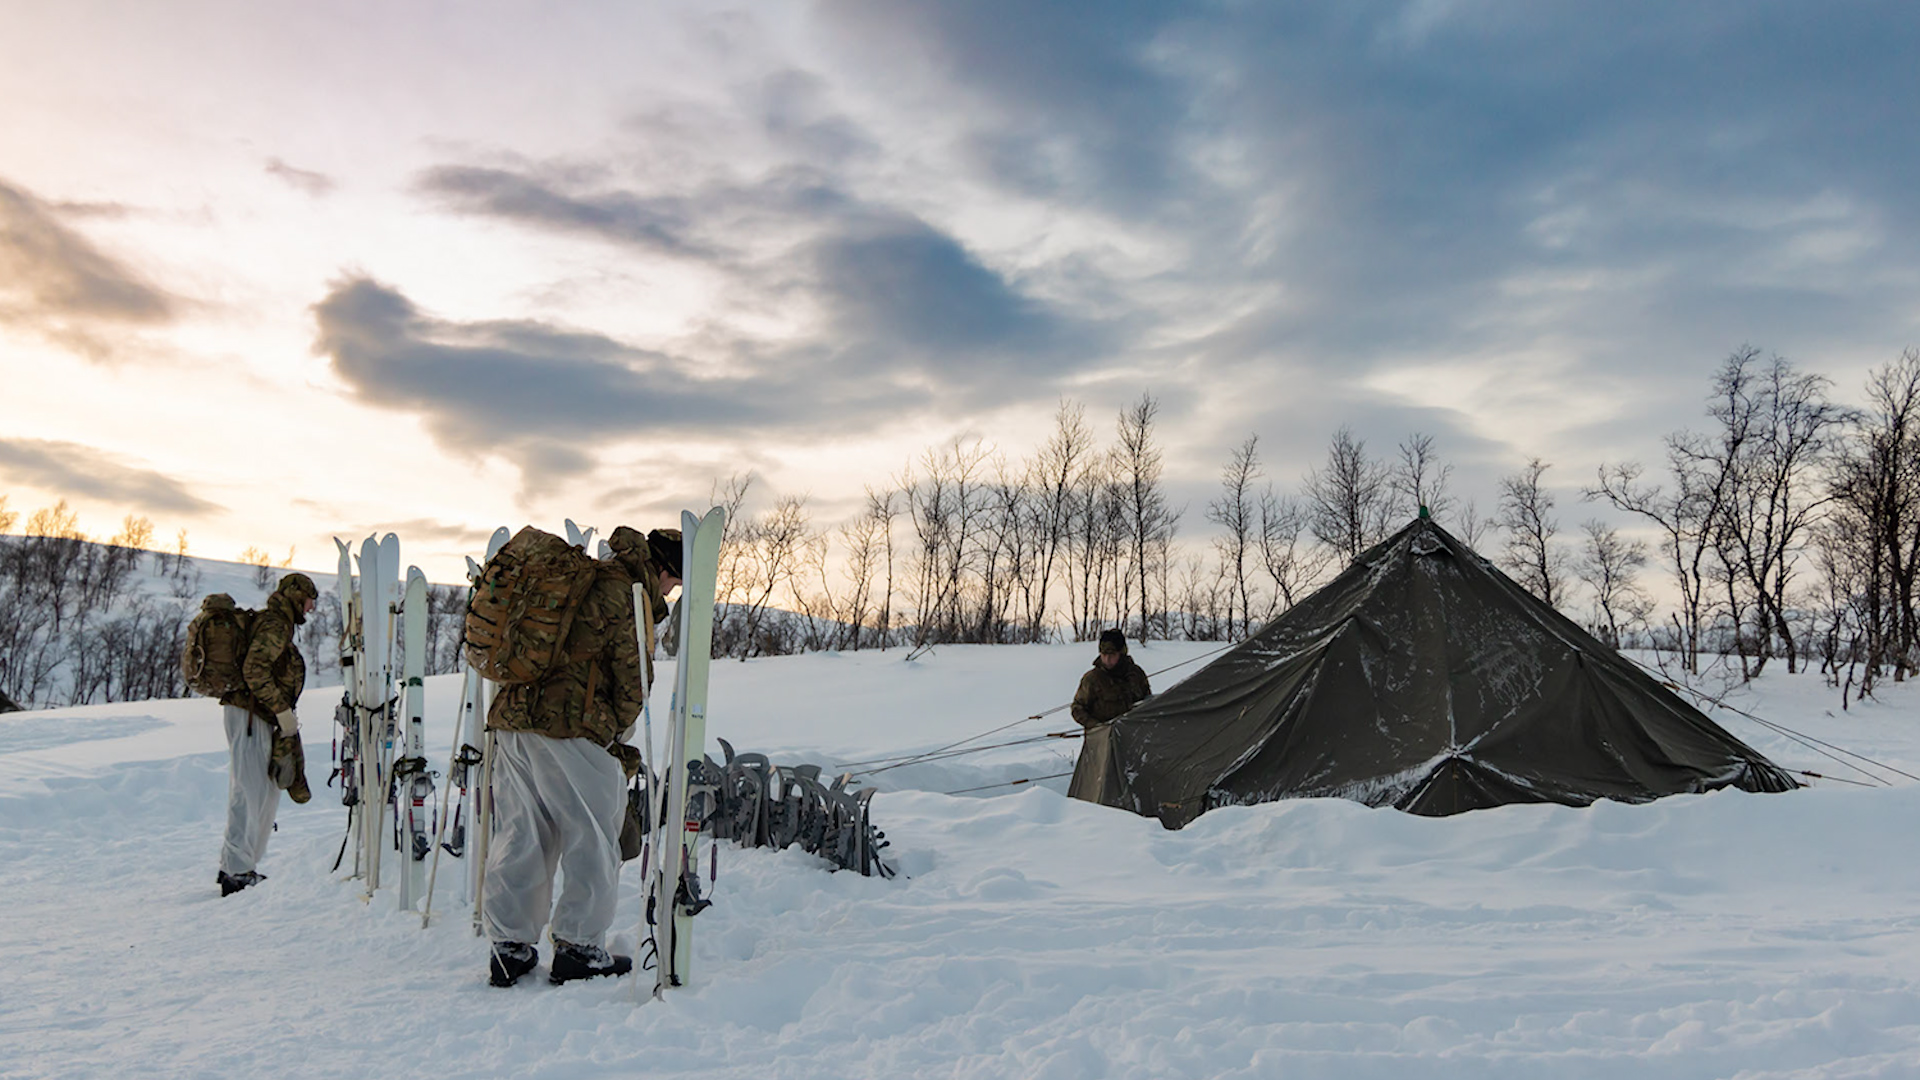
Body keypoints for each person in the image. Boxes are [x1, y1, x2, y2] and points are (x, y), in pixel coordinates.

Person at [482, 525, 681, 988]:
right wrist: (615, 733)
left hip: (514, 718)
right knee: (593, 835)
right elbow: (632, 680)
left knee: (522, 832)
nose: (672, 593)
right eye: (676, 582)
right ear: (666, 570)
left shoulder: (582, 576)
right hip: (573, 726)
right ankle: (579, 946)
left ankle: (509, 946)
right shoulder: (624, 592)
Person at [217, 571, 318, 897]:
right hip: (250, 714)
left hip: (256, 715)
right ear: (294, 595)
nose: (311, 608)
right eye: (308, 600)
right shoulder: (275, 625)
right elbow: (254, 670)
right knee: (250, 791)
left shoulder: (279, 624)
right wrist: (280, 709)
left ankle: (237, 865)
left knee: (260, 790)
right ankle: (237, 871)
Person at [1071, 629, 1152, 729]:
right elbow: (1077, 708)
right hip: (1103, 739)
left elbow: (1148, 703)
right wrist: (1096, 726)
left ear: (1121, 653)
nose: (1107, 660)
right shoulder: (1092, 679)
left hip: (1133, 735)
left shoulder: (1136, 674)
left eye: (1112, 655)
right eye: (1104, 655)